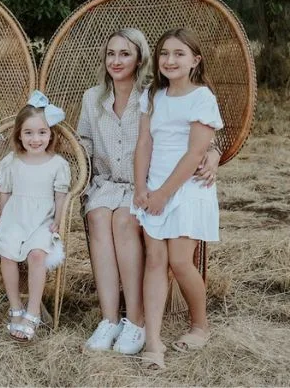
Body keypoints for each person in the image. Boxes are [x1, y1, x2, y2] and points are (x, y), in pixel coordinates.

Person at [77, 28, 220, 355]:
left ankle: (145, 322)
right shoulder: (105, 97)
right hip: (121, 185)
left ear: (140, 59)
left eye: (124, 53)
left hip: (158, 186)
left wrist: (212, 156)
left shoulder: (160, 92)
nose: (116, 60)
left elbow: (204, 142)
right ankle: (111, 320)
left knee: (133, 227)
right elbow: (88, 143)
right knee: (101, 218)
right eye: (110, 53)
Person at [132, 28, 224, 369]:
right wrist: (141, 188)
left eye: (179, 54)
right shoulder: (153, 95)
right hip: (153, 182)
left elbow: (195, 153)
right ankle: (153, 341)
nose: (170, 60)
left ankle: (200, 325)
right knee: (155, 259)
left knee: (180, 261)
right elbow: (144, 144)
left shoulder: (202, 97)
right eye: (165, 53)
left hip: (186, 186)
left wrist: (163, 195)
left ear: (195, 60)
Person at [0, 91, 70, 342]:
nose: (35, 139)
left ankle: (32, 311)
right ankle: (15, 308)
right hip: (15, 218)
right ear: (19, 134)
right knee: (7, 252)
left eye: (42, 132)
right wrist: (1, 220)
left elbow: (61, 196)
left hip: (42, 221)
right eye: (28, 133)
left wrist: (58, 222)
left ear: (51, 134)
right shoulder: (11, 162)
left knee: (37, 253)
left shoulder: (57, 164)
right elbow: (5, 194)